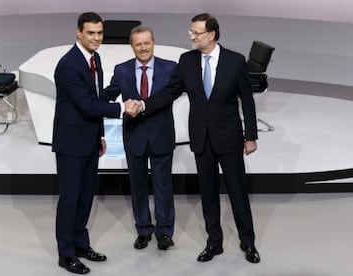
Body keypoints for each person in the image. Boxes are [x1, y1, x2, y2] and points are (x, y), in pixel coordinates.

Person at [127, 13, 261, 264]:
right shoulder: (187, 61)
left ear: (210, 35)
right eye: (191, 31)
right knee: (208, 194)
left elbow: (247, 101)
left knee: (237, 193)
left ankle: (248, 242)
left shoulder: (235, 61)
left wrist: (250, 136)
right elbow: (170, 92)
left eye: (196, 32)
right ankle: (214, 243)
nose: (191, 36)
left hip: (229, 138)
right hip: (202, 139)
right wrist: (144, 105)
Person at [52, 12, 135, 274]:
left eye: (99, 33)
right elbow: (88, 106)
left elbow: (96, 96)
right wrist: (122, 108)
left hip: (89, 139)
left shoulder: (94, 58)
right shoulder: (68, 65)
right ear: (79, 33)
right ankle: (65, 254)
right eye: (91, 33)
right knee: (70, 198)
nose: (96, 38)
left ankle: (80, 244)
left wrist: (99, 134)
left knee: (86, 196)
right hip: (70, 143)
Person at [102, 26, 176, 250]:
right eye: (138, 44)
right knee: (138, 185)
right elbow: (110, 93)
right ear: (132, 46)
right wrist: (89, 98)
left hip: (161, 134)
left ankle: (164, 232)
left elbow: (169, 95)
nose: (143, 48)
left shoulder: (170, 68)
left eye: (147, 43)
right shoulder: (122, 70)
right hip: (134, 135)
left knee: (163, 185)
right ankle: (144, 229)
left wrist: (143, 106)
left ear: (153, 43)